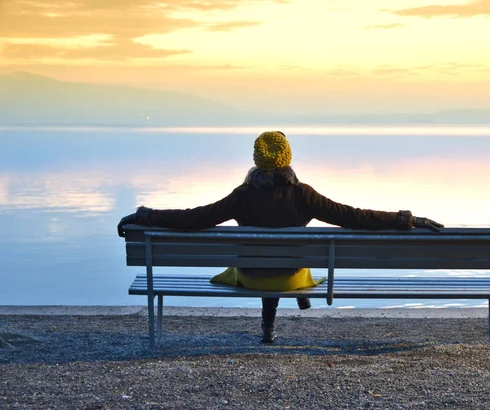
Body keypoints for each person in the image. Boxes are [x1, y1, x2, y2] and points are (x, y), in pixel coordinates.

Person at [118, 131, 443, 343]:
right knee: (291, 259)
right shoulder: (304, 195)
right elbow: (353, 217)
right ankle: (301, 295)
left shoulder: (242, 195)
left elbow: (194, 218)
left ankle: (267, 328)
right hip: (291, 275)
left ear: (257, 161)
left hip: (252, 276)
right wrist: (405, 219)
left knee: (253, 261)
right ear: (287, 159)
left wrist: (146, 215)